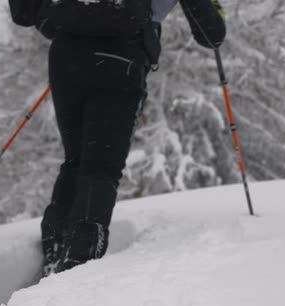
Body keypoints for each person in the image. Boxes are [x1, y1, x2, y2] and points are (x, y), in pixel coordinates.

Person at [38, 0, 227, 276]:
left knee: (76, 159)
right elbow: (211, 34)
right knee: (100, 168)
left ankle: (54, 253)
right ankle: (77, 265)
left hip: (66, 55)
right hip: (121, 59)